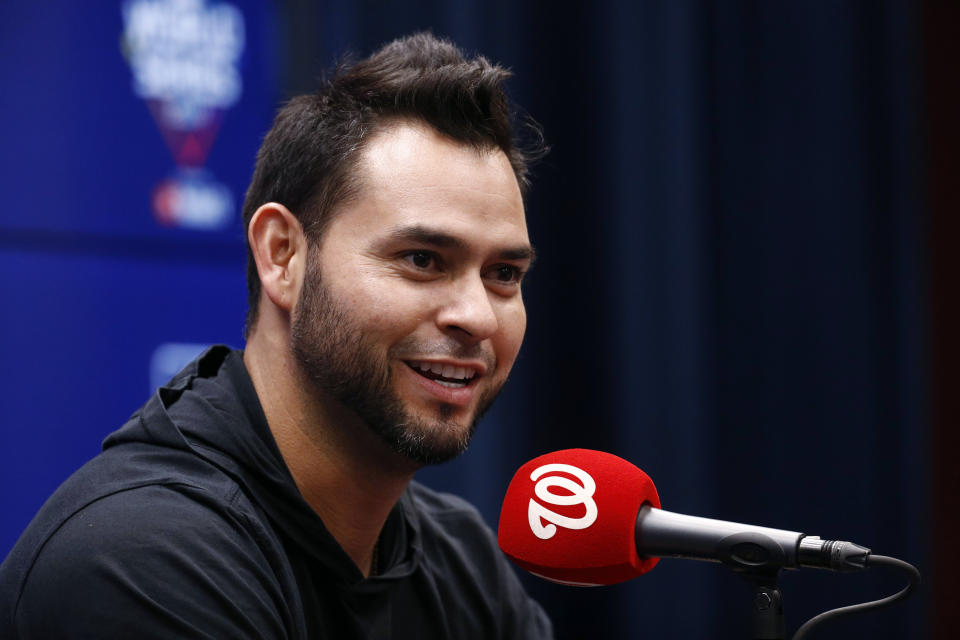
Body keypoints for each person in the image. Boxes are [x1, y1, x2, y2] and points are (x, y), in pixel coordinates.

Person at [0, 33, 552, 639]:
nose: (476, 316)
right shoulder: (140, 557)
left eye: (503, 275)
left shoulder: (461, 561)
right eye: (421, 259)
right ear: (282, 255)